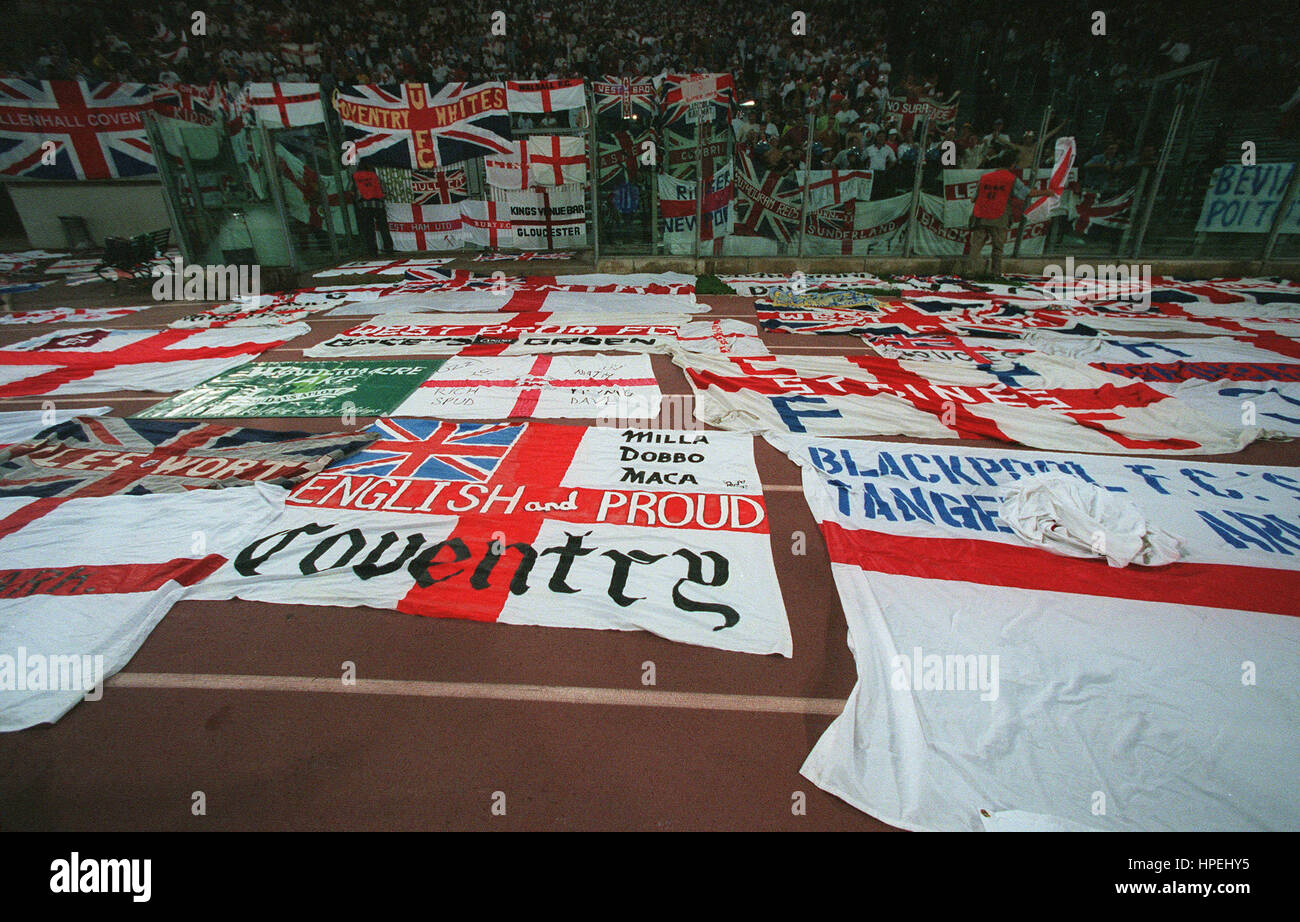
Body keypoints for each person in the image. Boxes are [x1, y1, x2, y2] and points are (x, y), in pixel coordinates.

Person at [965, 158, 1028, 279]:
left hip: (980, 216)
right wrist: (1047, 192)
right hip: (999, 217)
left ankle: (970, 272)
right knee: (998, 248)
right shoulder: (1011, 178)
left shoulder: (985, 177)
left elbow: (973, 198)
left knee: (975, 247)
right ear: (1012, 164)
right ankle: (995, 274)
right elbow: (1025, 193)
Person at [351, 165, 393, 255]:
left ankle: (372, 250)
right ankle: (388, 247)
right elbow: (385, 192)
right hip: (378, 205)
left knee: (369, 229)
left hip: (364, 206)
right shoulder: (376, 178)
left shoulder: (356, 178)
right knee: (383, 227)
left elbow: (351, 192)